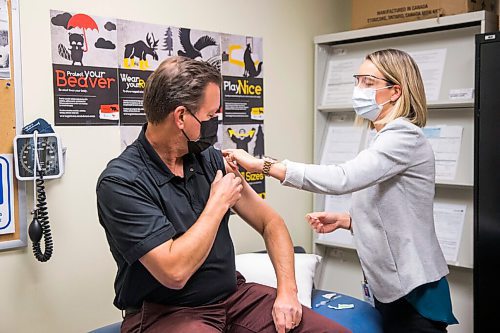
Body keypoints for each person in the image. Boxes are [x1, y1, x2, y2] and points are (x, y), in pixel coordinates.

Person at [96, 56, 350, 333]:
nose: (215, 123)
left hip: (232, 299)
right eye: (211, 116)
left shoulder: (209, 159)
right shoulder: (122, 182)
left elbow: (271, 223)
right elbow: (174, 273)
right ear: (181, 116)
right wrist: (217, 202)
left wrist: (287, 292)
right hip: (166, 313)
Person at [223, 49, 458, 333]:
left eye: (368, 83)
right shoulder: (383, 137)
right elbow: (396, 206)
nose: (358, 89)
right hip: (391, 287)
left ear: (395, 91)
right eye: (357, 80)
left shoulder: (403, 136)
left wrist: (264, 165)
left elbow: (344, 178)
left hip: (415, 289)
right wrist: (348, 220)